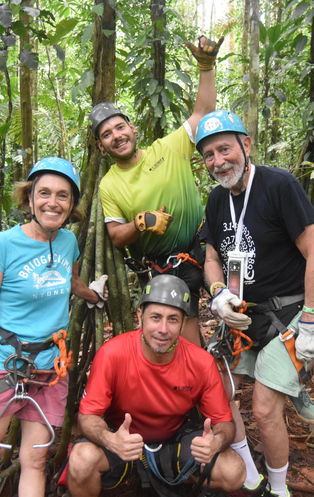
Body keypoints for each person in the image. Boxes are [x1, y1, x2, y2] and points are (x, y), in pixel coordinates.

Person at [0, 157, 108, 497]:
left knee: (34, 462)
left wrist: (93, 294)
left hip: (51, 369)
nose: (54, 202)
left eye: (63, 195)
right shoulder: (3, 245)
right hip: (4, 366)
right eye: (45, 193)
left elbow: (72, 281)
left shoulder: (68, 242)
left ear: (72, 204)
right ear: (30, 198)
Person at [195, 111, 314, 497]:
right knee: (218, 391)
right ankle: (249, 477)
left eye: (225, 149)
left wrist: (310, 320)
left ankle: (279, 490)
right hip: (243, 316)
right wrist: (218, 294)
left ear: (246, 146)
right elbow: (212, 257)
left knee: (265, 408)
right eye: (208, 155)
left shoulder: (279, 185)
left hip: (287, 314)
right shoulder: (218, 199)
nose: (218, 161)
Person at [66, 274, 246, 497]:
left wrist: (217, 442)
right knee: (80, 461)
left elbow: (225, 423)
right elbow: (87, 416)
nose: (163, 329)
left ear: (184, 323)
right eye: (155, 318)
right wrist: (110, 439)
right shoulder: (112, 354)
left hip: (174, 444)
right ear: (140, 317)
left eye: (173, 319)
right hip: (123, 443)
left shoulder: (201, 362)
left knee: (234, 471)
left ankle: (169, 477)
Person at [88, 34, 225, 346]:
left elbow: (203, 115)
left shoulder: (168, 147)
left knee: (240, 304)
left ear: (132, 128)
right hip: (168, 267)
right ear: (101, 146)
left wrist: (206, 66)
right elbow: (116, 236)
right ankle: (201, 385)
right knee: (187, 339)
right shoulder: (109, 184)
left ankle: (237, 369)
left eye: (119, 127)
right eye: (107, 134)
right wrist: (140, 223)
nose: (116, 136)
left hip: (207, 246)